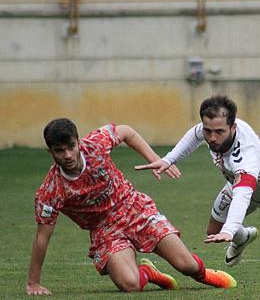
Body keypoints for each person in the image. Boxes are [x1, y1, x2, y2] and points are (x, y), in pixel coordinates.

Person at [27, 119, 236, 296]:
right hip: (105, 231)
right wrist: (33, 283)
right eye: (59, 151)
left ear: (78, 142)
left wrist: (156, 159)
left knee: (186, 266)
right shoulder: (51, 191)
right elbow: (42, 237)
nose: (68, 155)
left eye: (71, 147)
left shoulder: (96, 145)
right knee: (130, 284)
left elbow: (126, 131)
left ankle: (204, 274)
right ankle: (148, 272)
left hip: (134, 208)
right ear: (50, 151)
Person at [135, 95, 260, 267]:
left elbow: (243, 194)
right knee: (214, 230)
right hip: (244, 183)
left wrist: (230, 229)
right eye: (208, 130)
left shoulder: (245, 155)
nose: (212, 137)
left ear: (233, 127)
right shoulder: (213, 128)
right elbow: (195, 133)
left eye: (219, 132)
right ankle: (244, 238)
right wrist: (169, 159)